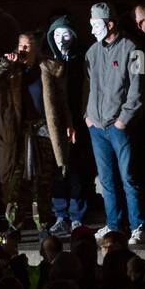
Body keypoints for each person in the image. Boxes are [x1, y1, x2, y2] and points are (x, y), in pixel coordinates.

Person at [0, 31, 63, 240]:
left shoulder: (46, 67)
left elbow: (61, 101)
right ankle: (14, 225)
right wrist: (5, 65)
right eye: (21, 46)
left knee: (42, 181)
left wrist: (68, 125)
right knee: (16, 181)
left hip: (43, 131)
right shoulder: (11, 70)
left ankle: (43, 224)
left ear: (35, 47)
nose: (23, 50)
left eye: (27, 46)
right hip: (17, 134)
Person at [84, 3, 145, 244]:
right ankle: (113, 225)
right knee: (106, 179)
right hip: (97, 127)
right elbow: (87, 87)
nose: (92, 31)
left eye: (96, 25)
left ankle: (137, 225)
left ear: (110, 24)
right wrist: (87, 116)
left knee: (128, 177)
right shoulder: (91, 52)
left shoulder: (134, 50)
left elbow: (137, 89)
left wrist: (124, 119)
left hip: (118, 126)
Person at [43, 16, 94, 235]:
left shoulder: (82, 59)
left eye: (65, 34)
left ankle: (77, 216)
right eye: (57, 35)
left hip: (80, 121)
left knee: (77, 170)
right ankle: (60, 214)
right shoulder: (48, 62)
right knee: (58, 171)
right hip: (56, 126)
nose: (61, 39)